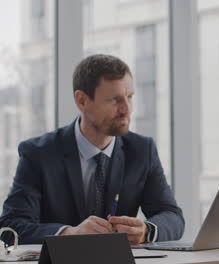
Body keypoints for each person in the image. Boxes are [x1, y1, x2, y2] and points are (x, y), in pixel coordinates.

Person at [0, 54, 184, 245]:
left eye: (129, 97)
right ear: (82, 101)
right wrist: (69, 234)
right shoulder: (38, 153)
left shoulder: (142, 150)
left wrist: (146, 230)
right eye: (115, 100)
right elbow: (11, 226)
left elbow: (173, 217)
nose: (126, 109)